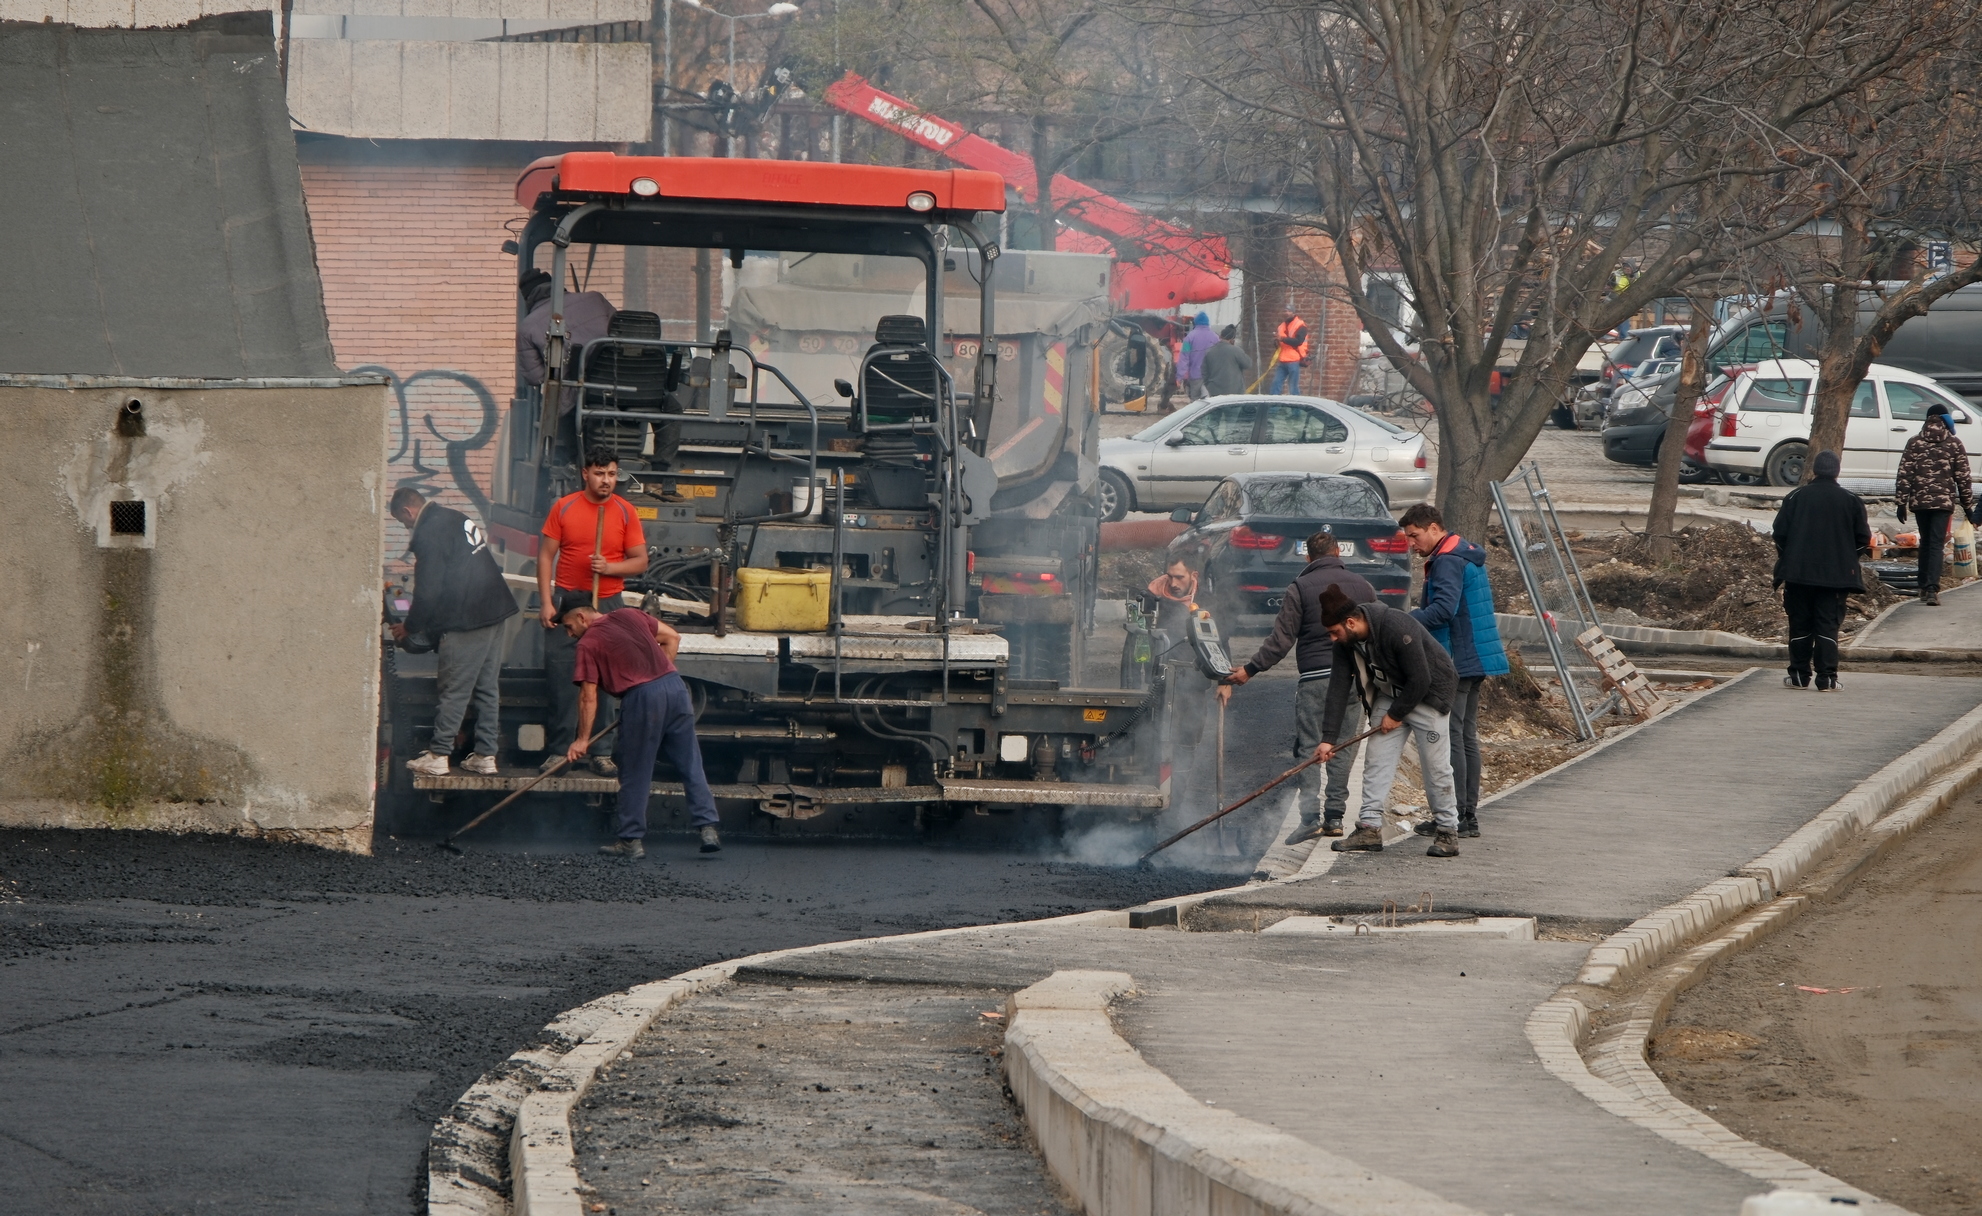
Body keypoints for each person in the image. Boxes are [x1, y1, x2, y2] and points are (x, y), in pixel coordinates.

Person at [1218, 529, 1377, 842]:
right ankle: (1334, 818)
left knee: (1309, 747)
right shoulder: (1364, 586)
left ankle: (1309, 818)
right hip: (1354, 680)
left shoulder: (1300, 586)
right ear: (1338, 554)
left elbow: (1281, 641)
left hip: (1315, 678)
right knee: (1343, 746)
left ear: (1308, 557)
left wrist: (1250, 669)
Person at [1312, 585, 1462, 857]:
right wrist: (1328, 739)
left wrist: (1395, 715)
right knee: (1376, 761)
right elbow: (1337, 688)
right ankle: (1369, 828)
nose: (1332, 639)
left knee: (1436, 767)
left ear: (1351, 622)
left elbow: (1421, 679)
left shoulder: (1395, 625)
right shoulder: (1346, 643)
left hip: (1429, 696)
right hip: (1391, 694)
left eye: (1334, 632)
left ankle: (1447, 831)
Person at [560, 604, 720, 859]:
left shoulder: (588, 643)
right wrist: (656, 676)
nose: (569, 634)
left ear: (581, 617)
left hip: (642, 699)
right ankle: (708, 828)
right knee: (690, 763)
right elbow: (672, 637)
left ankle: (630, 841)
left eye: (569, 627)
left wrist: (582, 740)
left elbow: (588, 697)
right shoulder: (629, 614)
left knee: (635, 770)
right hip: (676, 689)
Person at [391, 487, 520, 777]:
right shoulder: (454, 517)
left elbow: (427, 593)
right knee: (487, 687)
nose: (407, 527)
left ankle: (438, 755)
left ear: (406, 512)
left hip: (467, 618)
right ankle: (486, 755)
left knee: (454, 689)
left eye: (403, 522)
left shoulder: (427, 532)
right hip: (495, 609)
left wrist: (409, 627)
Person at [1398, 503, 1508, 840]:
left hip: (1459, 659)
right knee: (1467, 736)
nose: (1411, 545)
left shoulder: (1447, 561)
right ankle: (1468, 815)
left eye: (1414, 536)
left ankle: (1457, 815)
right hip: (1479, 657)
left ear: (1433, 528)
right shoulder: (1465, 552)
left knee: (1454, 738)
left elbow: (1443, 610)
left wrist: (1403, 621)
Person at [538, 447, 649, 773]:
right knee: (561, 678)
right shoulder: (564, 507)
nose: (606, 481)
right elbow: (545, 557)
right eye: (600, 474)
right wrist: (547, 602)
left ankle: (601, 752)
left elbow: (641, 561)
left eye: (612, 474)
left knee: (607, 679)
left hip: (608, 603)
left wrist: (611, 567)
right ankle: (559, 751)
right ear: (585, 473)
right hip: (569, 601)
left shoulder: (626, 512)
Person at [1772, 450, 1870, 692]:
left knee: (1800, 623)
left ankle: (1798, 675)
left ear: (1814, 470)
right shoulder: (1851, 500)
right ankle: (1827, 678)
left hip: (1798, 574)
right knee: (1827, 625)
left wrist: (1790, 557)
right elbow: (1863, 539)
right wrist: (1846, 557)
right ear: (1837, 471)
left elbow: (1780, 534)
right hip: (1835, 577)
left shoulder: (1796, 497)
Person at [1893, 400, 1973, 606]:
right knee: (1936, 544)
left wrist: (1901, 503)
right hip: (1943, 503)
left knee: (1926, 542)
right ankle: (1932, 589)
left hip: (1920, 503)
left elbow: (1904, 474)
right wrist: (1968, 507)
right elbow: (1963, 478)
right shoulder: (1954, 443)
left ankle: (1922, 585)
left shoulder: (1914, 442)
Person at [517, 269, 618, 389]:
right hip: (621, 379)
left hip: (574, 397)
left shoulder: (526, 327)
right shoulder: (595, 298)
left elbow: (536, 377)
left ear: (528, 298)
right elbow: (621, 330)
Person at [1146, 557, 1202, 637]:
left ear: (1194, 576)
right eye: (1169, 577)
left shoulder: (1205, 600)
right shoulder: (1151, 598)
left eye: (1179, 577)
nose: (1173, 584)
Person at [1201, 325, 1252, 397]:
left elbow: (1204, 372)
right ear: (1232, 340)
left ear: (1220, 336)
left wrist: (1209, 385)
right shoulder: (1236, 351)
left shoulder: (1209, 351)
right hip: (1234, 391)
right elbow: (1248, 364)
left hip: (1214, 391)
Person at [1177, 312, 1217, 400]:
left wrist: (1180, 376)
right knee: (1210, 401)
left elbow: (1184, 357)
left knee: (1195, 402)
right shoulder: (1215, 338)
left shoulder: (1189, 338)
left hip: (1195, 375)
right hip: (1211, 376)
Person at [1271, 309, 1309, 395]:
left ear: (1294, 313)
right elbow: (1278, 345)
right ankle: (1272, 407)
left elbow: (1298, 341)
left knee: (1293, 387)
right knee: (1276, 384)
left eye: (1289, 311)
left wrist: (1282, 339)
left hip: (1294, 360)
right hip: (1282, 360)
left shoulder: (1300, 325)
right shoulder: (1281, 326)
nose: (1286, 313)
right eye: (1285, 311)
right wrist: (1276, 341)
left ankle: (1296, 408)